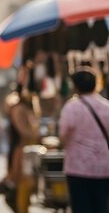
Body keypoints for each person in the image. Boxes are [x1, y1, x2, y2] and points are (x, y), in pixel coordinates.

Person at [58, 67, 109, 213]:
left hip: (78, 168)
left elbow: (63, 135)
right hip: (104, 168)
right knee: (101, 207)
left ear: (75, 86)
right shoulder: (106, 106)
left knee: (81, 207)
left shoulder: (72, 107)